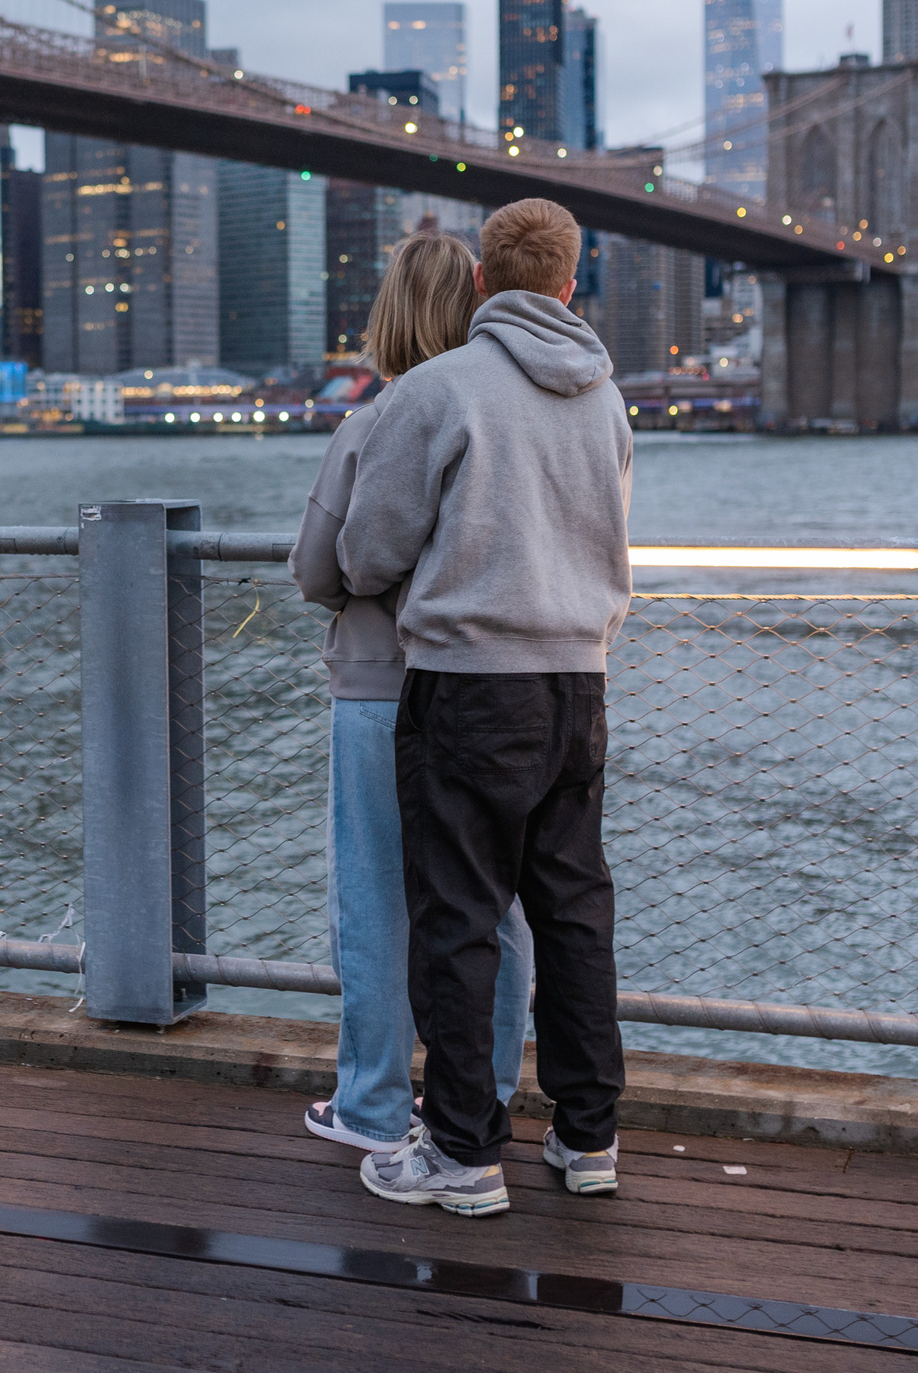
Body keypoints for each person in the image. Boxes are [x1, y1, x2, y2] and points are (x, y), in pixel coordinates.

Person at [337, 197, 634, 1218]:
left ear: (480, 284)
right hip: (577, 683)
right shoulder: (607, 399)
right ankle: (587, 1139)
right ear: (569, 281)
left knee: (459, 917)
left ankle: (462, 1154)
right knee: (572, 913)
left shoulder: (439, 388)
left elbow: (368, 550)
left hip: (465, 685)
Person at [290, 222, 534, 1157]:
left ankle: (374, 1106)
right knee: (493, 905)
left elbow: (319, 571)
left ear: (390, 315)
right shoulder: (504, 421)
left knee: (375, 905)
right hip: (490, 687)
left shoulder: (375, 422)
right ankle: (485, 1094)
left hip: (377, 688)